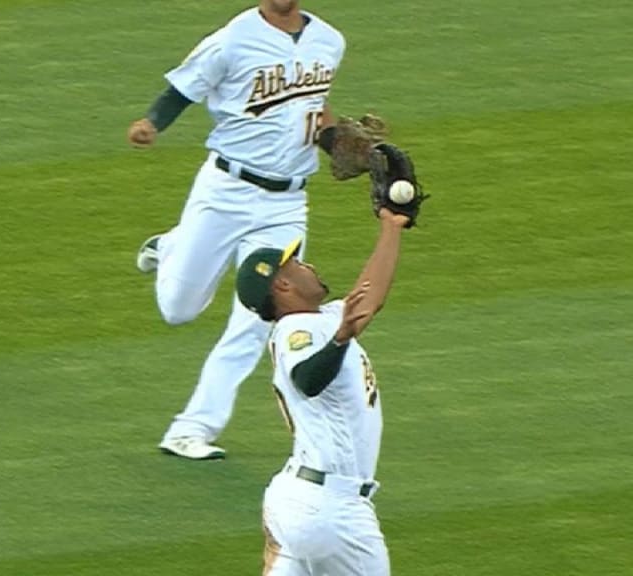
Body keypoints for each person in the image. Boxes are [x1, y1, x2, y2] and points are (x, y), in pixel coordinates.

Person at [127, 0, 347, 460]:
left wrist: (339, 141)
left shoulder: (329, 40)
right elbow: (183, 87)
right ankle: (173, 246)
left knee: (257, 319)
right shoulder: (232, 39)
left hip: (287, 203)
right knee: (178, 310)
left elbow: (314, 107)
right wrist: (151, 123)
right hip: (225, 191)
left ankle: (192, 428)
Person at [234, 143, 424, 575]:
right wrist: (339, 340)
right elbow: (307, 378)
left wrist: (391, 226)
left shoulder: (319, 318)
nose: (308, 265)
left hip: (298, 499)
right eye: (294, 265)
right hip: (332, 511)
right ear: (282, 288)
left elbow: (368, 297)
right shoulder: (295, 331)